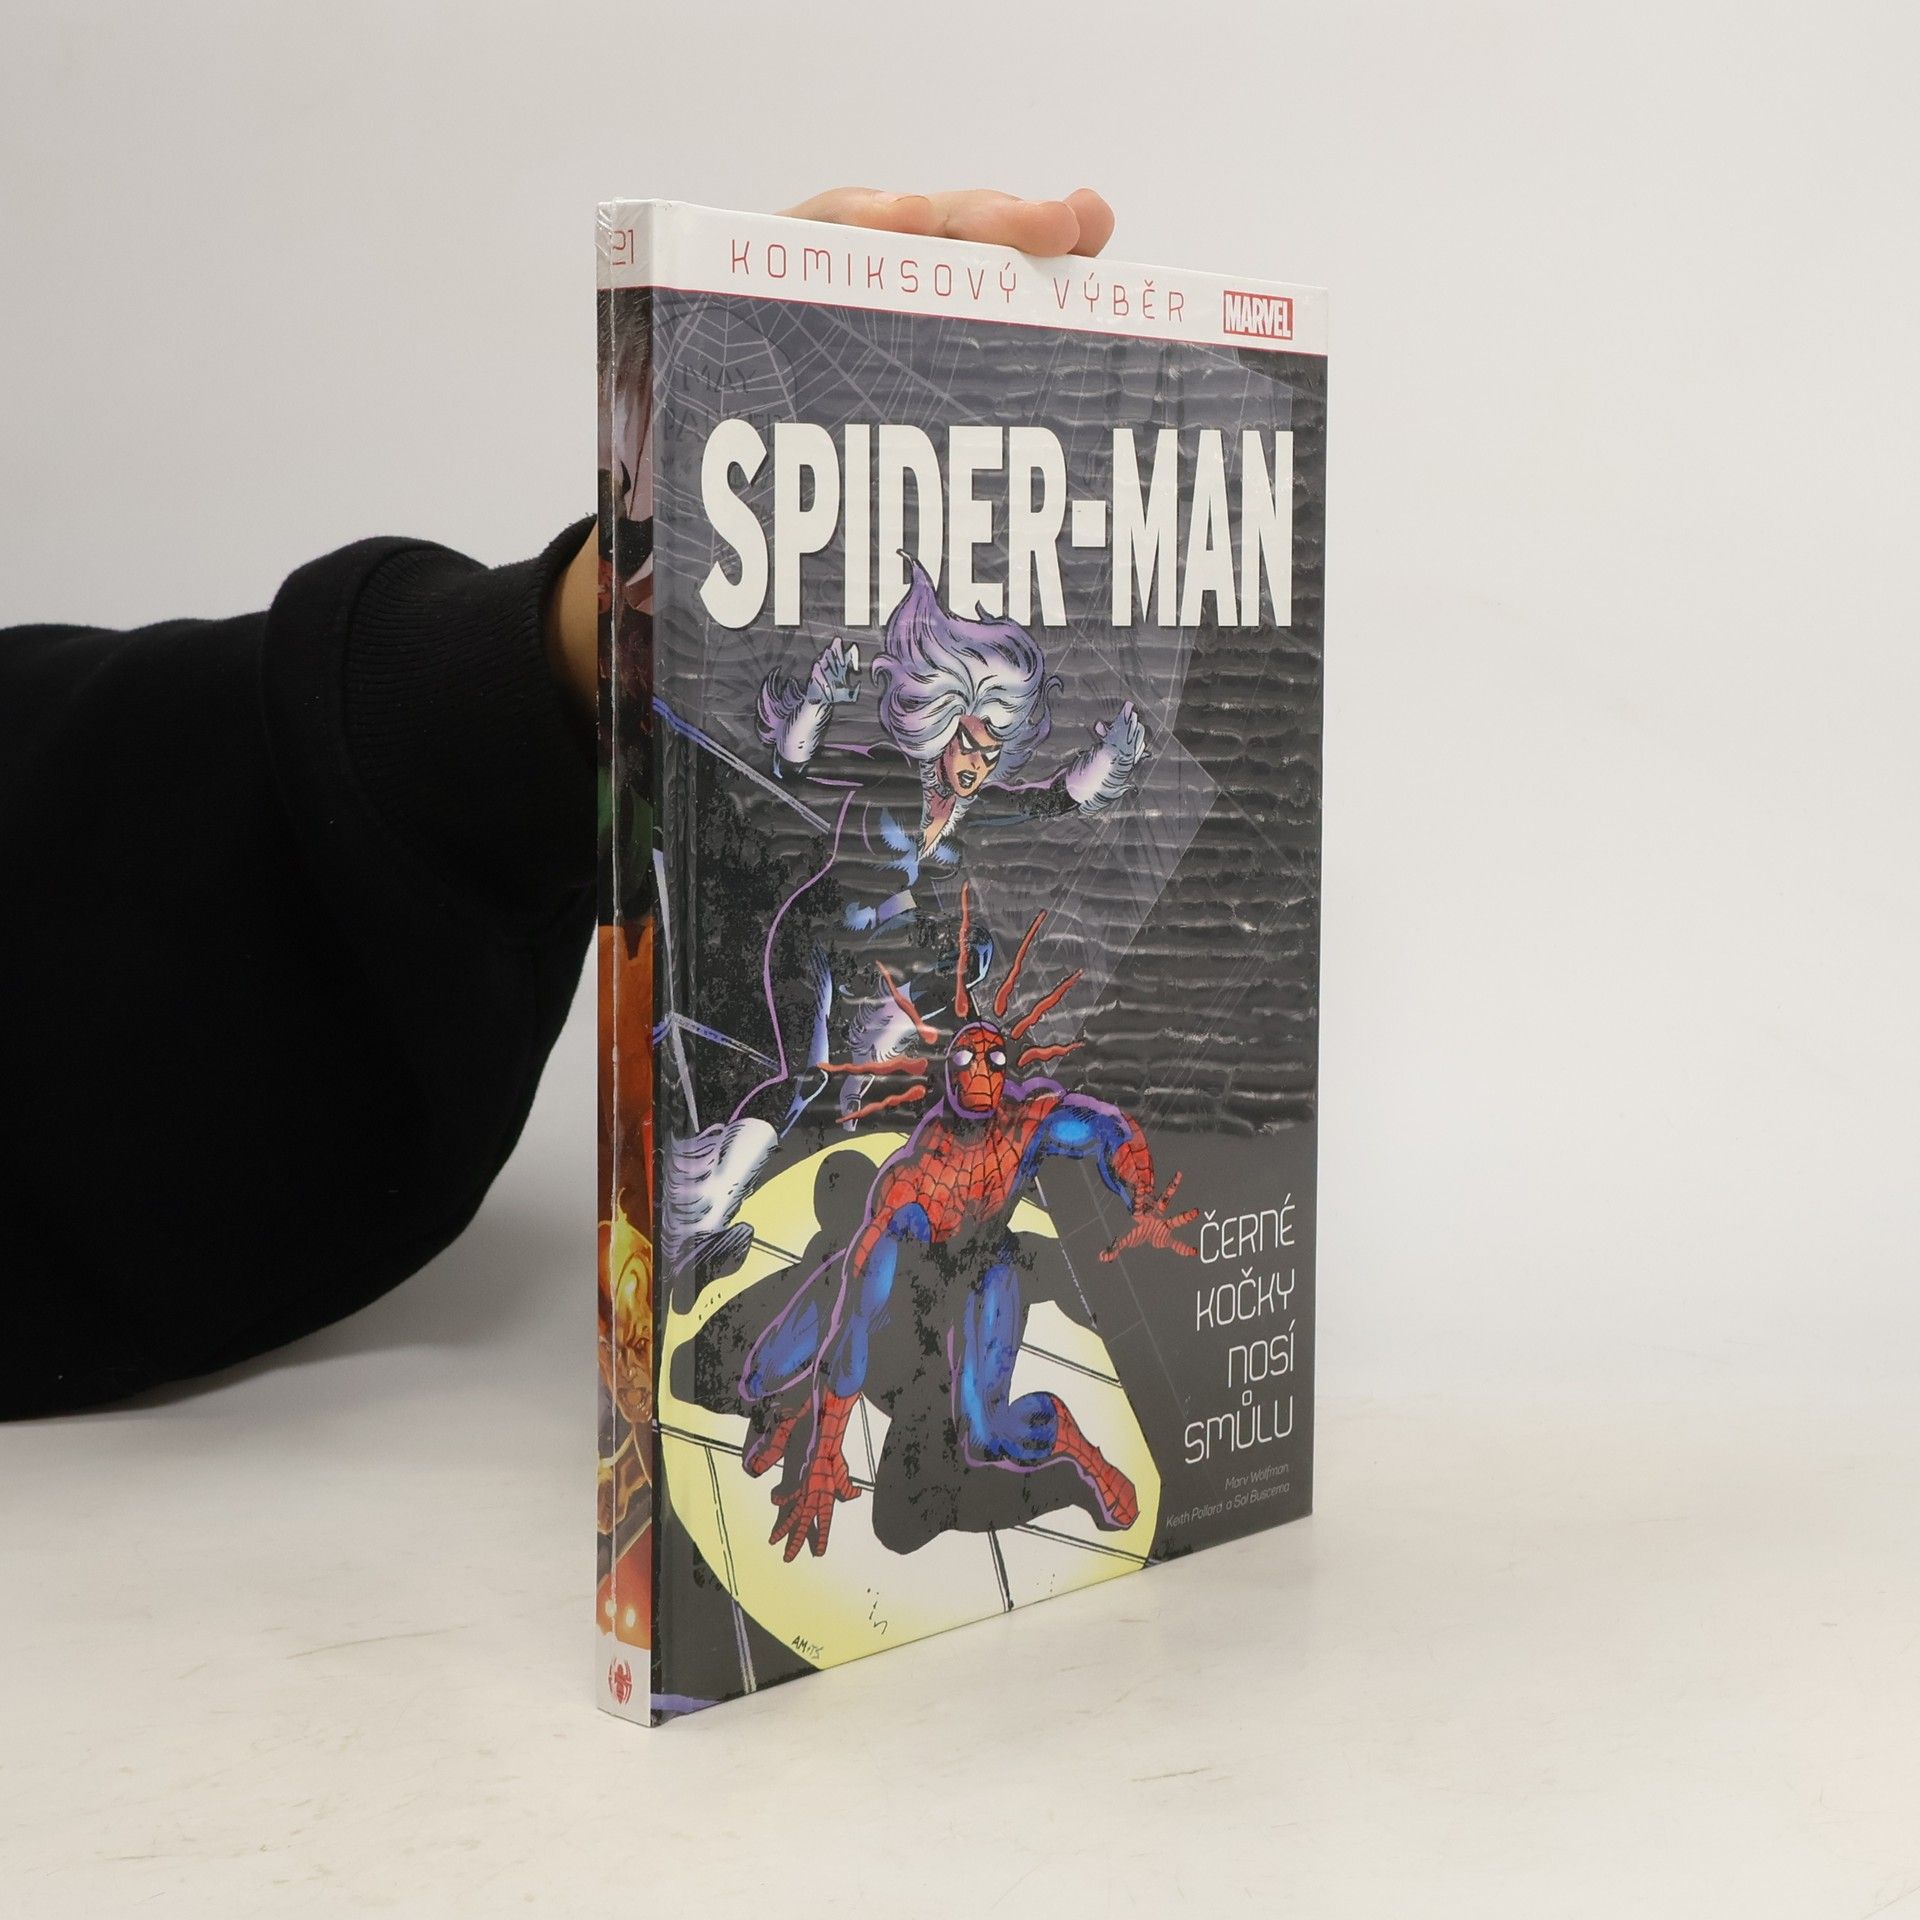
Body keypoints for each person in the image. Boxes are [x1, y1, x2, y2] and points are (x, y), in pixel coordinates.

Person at [0, 187, 1117, 1420]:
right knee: (803, 1095)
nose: (980, 757)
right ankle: (714, 1209)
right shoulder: (890, 782)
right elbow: (802, 769)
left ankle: (793, 1224)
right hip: (822, 951)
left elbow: (1014, 812)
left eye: (996, 742)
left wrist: (564, 661)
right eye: (974, 730)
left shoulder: (965, 808)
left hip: (866, 964)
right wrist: (785, 703)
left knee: (892, 1083)